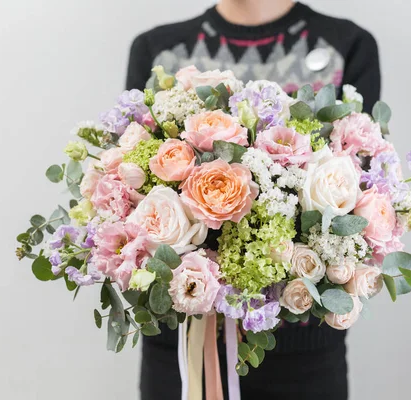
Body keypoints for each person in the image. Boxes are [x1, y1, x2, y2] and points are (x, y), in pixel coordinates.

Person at [125, 1, 380, 399]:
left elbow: (360, 189)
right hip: (182, 352)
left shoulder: (346, 45)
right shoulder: (159, 50)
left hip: (304, 356)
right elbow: (133, 196)